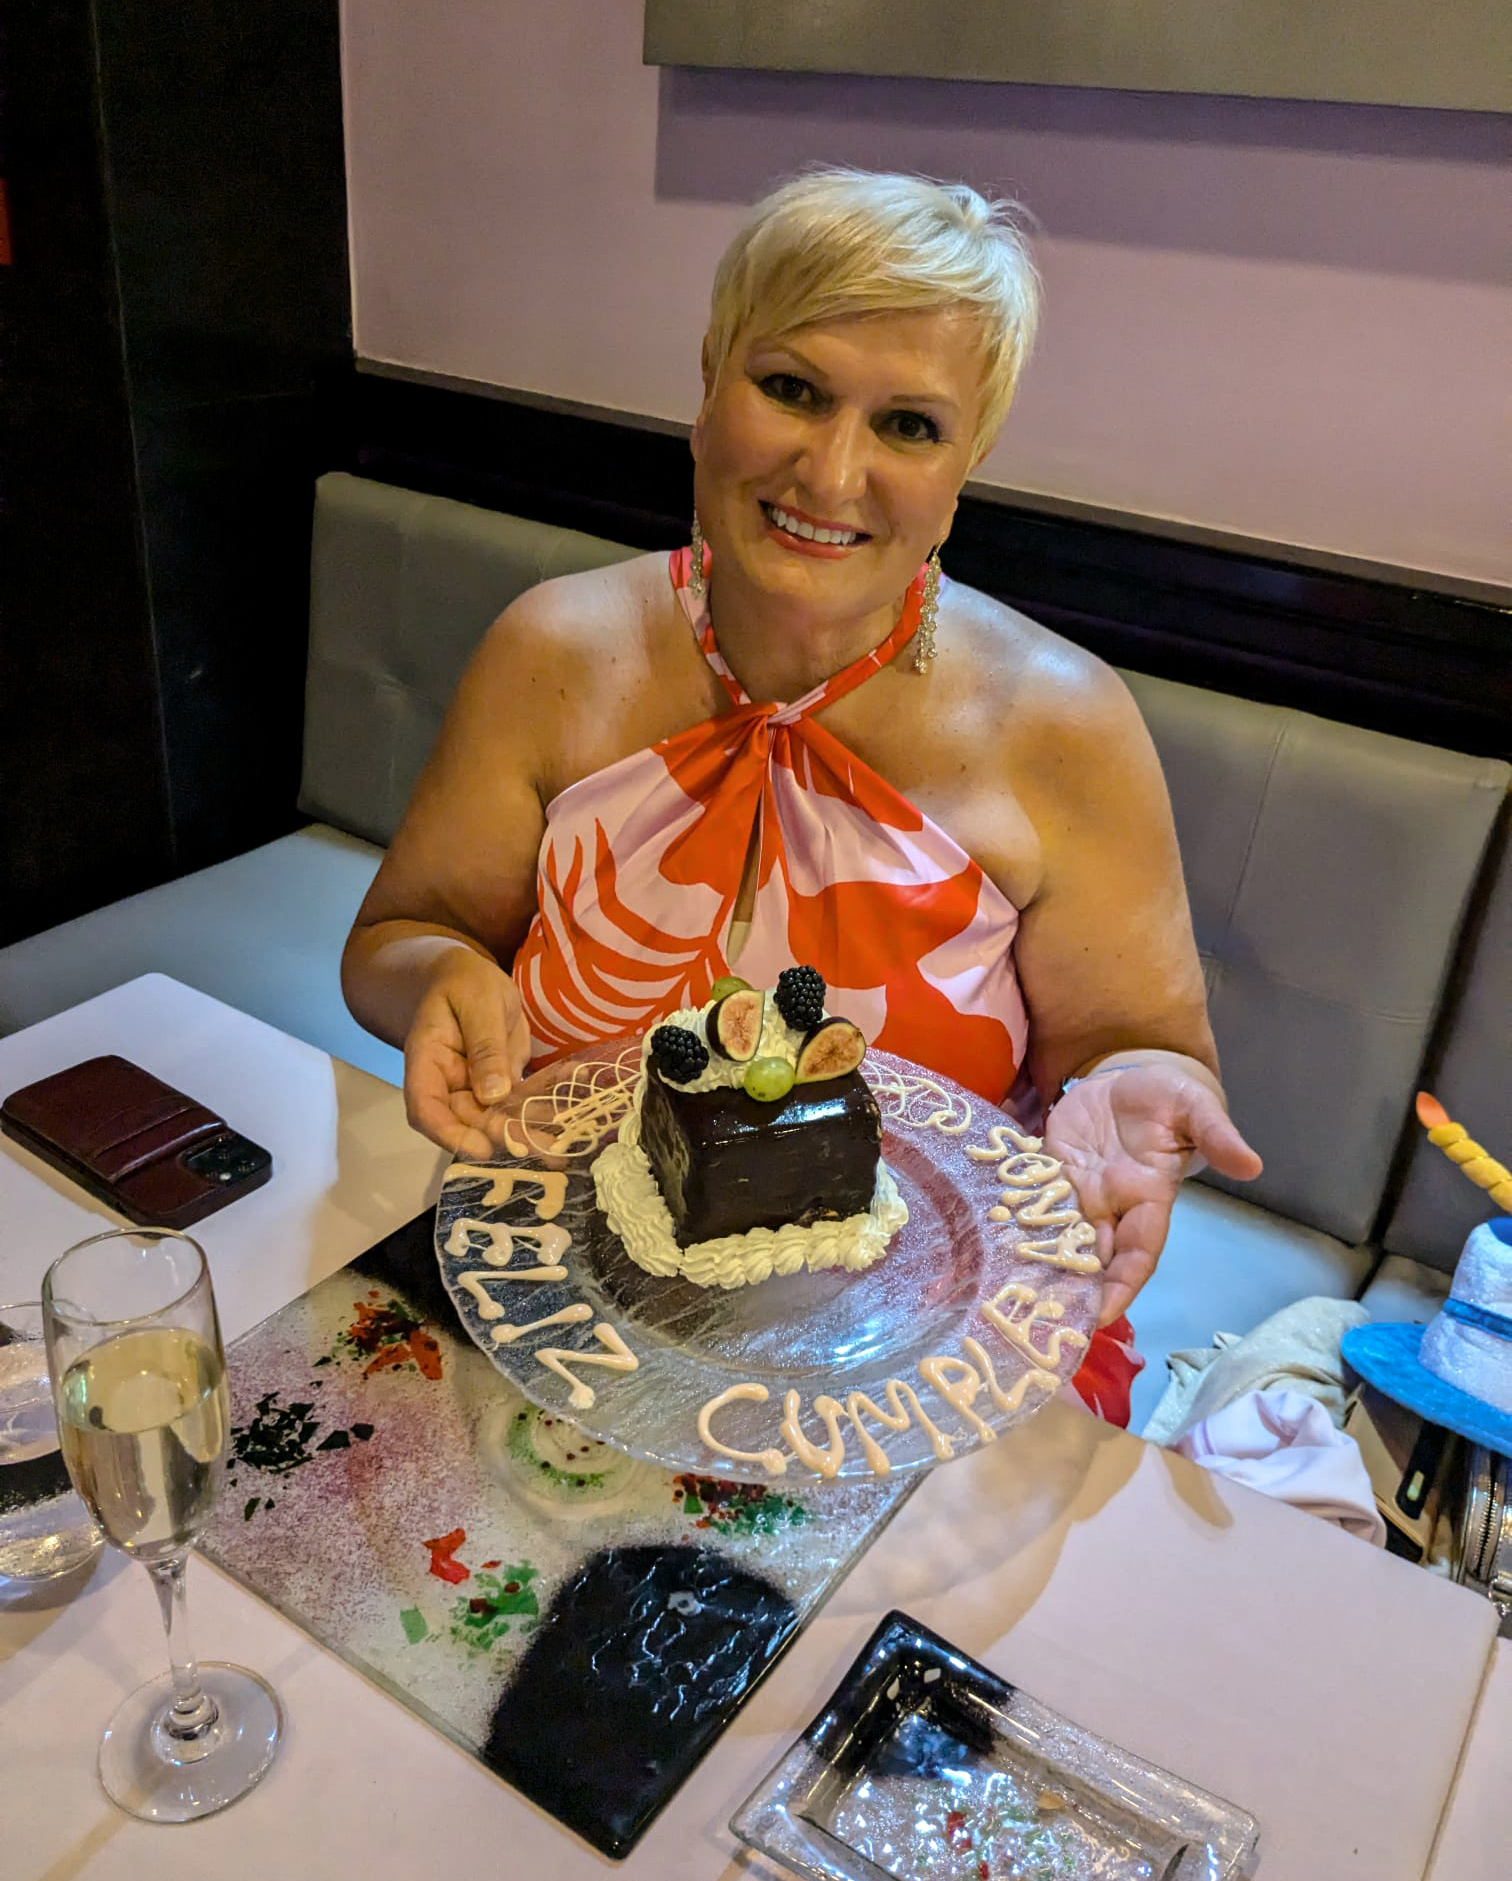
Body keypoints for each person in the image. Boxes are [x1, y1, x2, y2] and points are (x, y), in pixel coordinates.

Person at [341, 167, 1262, 1427]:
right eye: (792, 389)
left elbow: (1131, 1044)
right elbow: (398, 940)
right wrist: (440, 981)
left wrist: (1136, 1087)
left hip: (924, 1349)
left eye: (909, 426)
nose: (831, 473)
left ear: (968, 463)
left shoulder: (1067, 727)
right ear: (709, 382)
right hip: (566, 1299)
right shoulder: (548, 653)